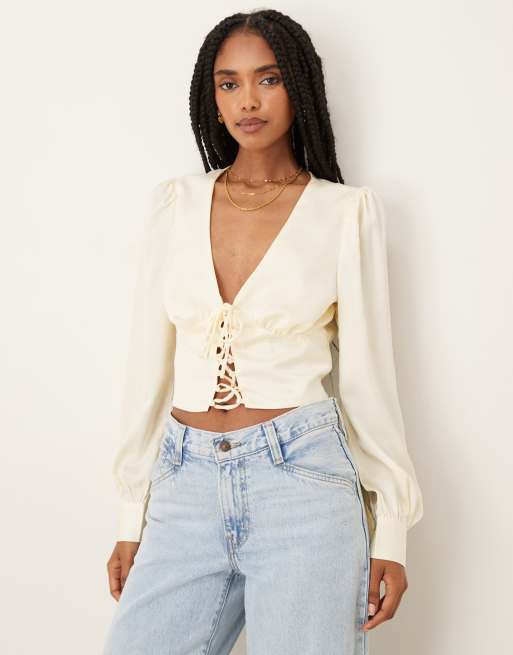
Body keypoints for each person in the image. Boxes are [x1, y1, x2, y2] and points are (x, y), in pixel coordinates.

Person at [103, 8, 423, 655]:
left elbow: (368, 379)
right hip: (184, 483)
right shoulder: (176, 203)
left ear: (298, 87)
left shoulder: (344, 212)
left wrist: (391, 526)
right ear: (212, 97)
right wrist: (131, 514)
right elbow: (146, 369)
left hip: (302, 483)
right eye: (229, 83)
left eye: (268, 79)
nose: (247, 100)